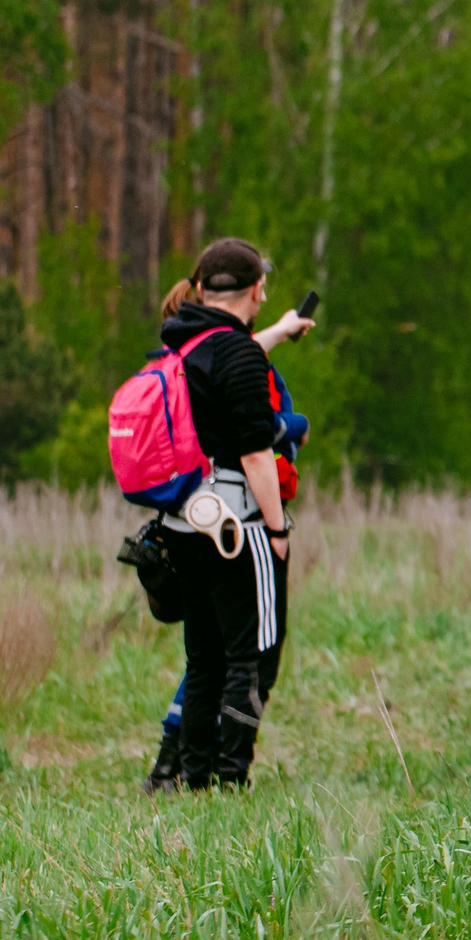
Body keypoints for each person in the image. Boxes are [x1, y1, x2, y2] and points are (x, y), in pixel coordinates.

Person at [137, 239, 315, 792]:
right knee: (253, 657)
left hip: (185, 527)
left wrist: (279, 333)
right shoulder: (235, 353)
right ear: (256, 290)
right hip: (239, 529)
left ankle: (193, 778)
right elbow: (257, 452)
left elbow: (233, 356)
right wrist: (278, 529)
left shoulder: (186, 344)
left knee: (205, 659)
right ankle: (232, 777)